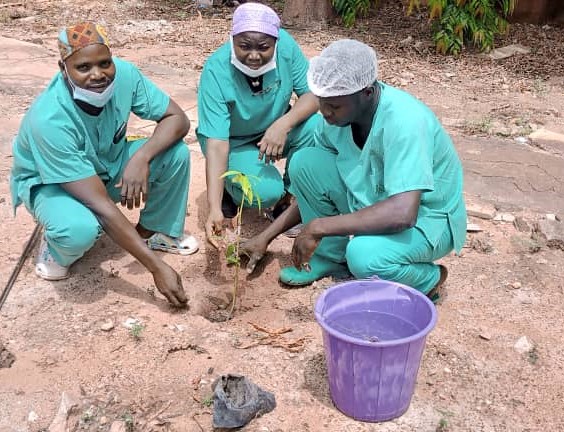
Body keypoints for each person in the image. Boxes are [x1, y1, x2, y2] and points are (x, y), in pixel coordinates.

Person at [240, 39, 467, 300]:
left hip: (427, 220)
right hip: (374, 196)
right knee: (305, 163)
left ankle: (428, 279)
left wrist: (319, 227)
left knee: (363, 256)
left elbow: (404, 214)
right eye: (322, 102)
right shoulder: (335, 119)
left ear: (367, 93)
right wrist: (266, 236)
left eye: (334, 105)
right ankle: (328, 258)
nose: (324, 112)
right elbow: (309, 191)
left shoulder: (405, 122)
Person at [10, 22, 198, 307]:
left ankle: (153, 230)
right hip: (54, 183)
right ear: (64, 69)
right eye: (83, 68)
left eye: (104, 63)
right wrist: (156, 268)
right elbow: (101, 205)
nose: (98, 75)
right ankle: (55, 249)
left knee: (175, 154)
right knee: (79, 229)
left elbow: (177, 119)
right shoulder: (49, 120)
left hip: (106, 162)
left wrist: (141, 158)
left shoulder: (125, 75)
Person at [196, 2, 320, 248]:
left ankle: (290, 199)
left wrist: (283, 124)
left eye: (263, 47)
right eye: (244, 46)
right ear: (232, 40)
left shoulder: (286, 48)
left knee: (317, 126)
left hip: (274, 130)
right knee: (264, 192)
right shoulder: (216, 70)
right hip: (234, 141)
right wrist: (213, 207)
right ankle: (230, 192)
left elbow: (313, 95)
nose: (254, 55)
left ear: (275, 41)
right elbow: (218, 143)